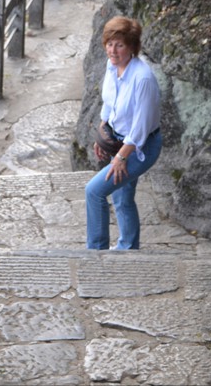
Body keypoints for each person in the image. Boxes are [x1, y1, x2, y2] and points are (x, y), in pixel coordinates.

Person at [85, 16, 162, 250]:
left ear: (132, 47)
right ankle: (128, 249)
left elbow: (140, 128)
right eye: (109, 43)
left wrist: (120, 157)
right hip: (117, 142)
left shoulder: (143, 79)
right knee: (122, 198)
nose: (113, 50)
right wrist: (103, 134)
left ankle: (96, 251)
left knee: (94, 191)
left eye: (119, 45)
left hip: (139, 149)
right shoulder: (112, 66)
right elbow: (109, 103)